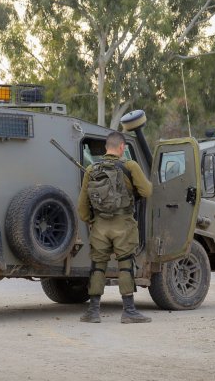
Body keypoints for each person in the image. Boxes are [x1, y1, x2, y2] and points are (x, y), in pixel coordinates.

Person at [77, 131, 153, 324]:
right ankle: (129, 311)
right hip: (123, 225)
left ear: (105, 148)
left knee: (97, 267)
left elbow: (82, 207)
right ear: (122, 148)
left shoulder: (91, 169)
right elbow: (147, 190)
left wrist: (92, 221)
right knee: (126, 265)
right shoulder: (130, 166)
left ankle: (93, 312)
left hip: (100, 226)